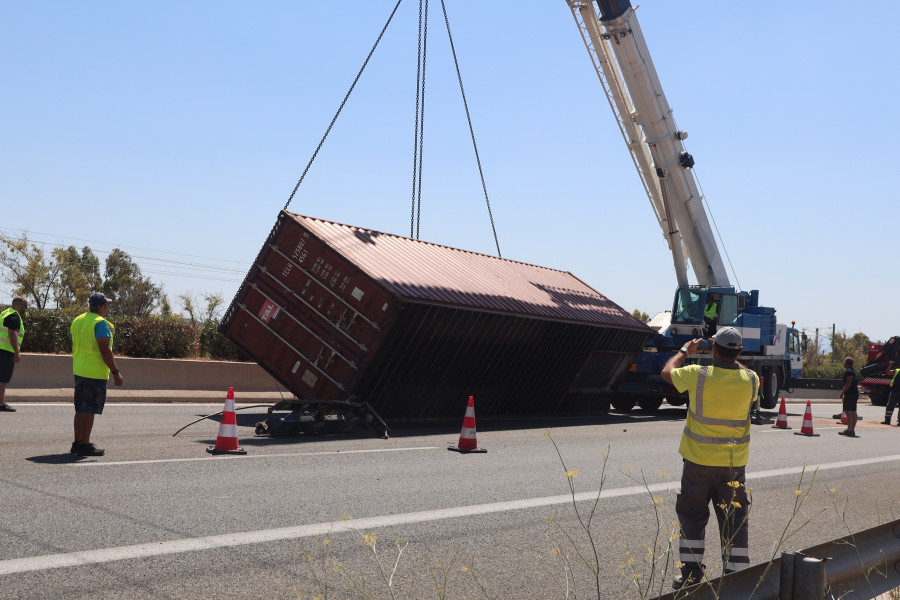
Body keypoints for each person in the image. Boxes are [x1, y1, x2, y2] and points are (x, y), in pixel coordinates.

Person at [661, 326, 759, 590]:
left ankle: (691, 574)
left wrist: (685, 351)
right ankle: (737, 578)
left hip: (697, 463)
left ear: (713, 349)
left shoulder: (698, 374)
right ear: (739, 351)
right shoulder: (752, 379)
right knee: (734, 519)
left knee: (692, 517)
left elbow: (666, 373)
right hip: (733, 465)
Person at [70, 293, 123, 456]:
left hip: (79, 369)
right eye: (106, 305)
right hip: (94, 372)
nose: (107, 308)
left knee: (80, 408)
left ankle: (77, 443)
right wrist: (115, 372)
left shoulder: (78, 320)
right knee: (89, 409)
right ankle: (85, 444)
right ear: (101, 307)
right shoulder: (100, 323)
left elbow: (75, 341)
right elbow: (104, 349)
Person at [0, 296, 28, 412]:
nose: (25, 308)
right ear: (18, 305)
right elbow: (12, 334)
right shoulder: (14, 316)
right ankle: (1, 403)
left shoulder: (5, 313)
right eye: (24, 306)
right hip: (6, 351)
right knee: (2, 378)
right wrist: (17, 352)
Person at [838, 357, 860, 436]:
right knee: (853, 411)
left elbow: (849, 382)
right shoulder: (854, 371)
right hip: (855, 392)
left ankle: (850, 430)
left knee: (848, 411)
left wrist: (842, 392)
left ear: (847, 363)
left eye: (844, 362)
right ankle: (851, 429)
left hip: (850, 393)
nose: (844, 364)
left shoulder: (849, 371)